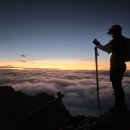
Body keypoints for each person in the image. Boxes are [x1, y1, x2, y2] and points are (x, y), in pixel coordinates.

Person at [93, 25, 128, 113]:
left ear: (114, 32)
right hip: (121, 66)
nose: (111, 34)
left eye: (112, 32)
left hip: (116, 66)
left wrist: (97, 44)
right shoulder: (126, 40)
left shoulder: (115, 41)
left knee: (116, 86)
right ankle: (121, 106)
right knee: (118, 86)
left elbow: (105, 49)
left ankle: (119, 107)